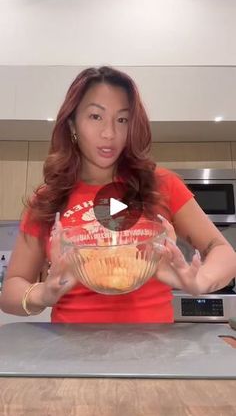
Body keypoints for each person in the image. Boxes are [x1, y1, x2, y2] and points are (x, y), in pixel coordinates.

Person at [1, 66, 236, 323]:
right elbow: (12, 288)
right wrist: (43, 294)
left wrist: (198, 282)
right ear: (72, 123)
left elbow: (223, 251)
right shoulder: (48, 199)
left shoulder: (161, 184)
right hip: (70, 355)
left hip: (153, 353)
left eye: (122, 119)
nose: (109, 133)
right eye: (95, 116)